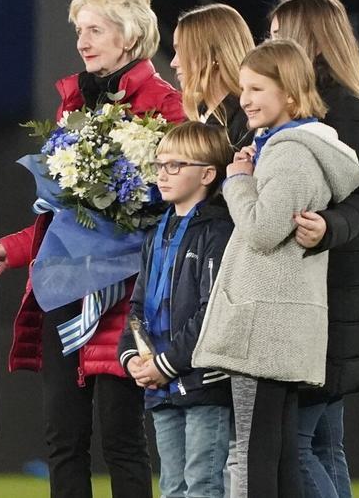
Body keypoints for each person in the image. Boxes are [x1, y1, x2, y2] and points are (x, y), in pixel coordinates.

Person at [0, 0, 182, 498]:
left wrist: (134, 199)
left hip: (127, 293)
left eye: (94, 30)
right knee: (62, 439)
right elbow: (62, 214)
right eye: (78, 31)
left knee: (121, 437)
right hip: (64, 287)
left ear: (129, 35)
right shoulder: (73, 106)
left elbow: (180, 205)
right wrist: (12, 249)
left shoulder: (167, 107)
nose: (82, 42)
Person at [193, 39, 359, 498]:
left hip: (263, 324)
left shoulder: (291, 153)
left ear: (289, 93)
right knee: (280, 454)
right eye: (244, 88)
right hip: (278, 320)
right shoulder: (293, 146)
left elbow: (263, 230)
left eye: (257, 89)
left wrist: (237, 181)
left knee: (256, 454)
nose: (245, 99)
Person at [269, 0, 359, 498]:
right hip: (321, 290)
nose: (269, 45)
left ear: (312, 40)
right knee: (322, 444)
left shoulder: (347, 110)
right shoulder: (308, 105)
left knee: (295, 445)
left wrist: (327, 227)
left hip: (331, 293)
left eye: (279, 35)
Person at [119, 122, 234, 498]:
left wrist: (165, 363)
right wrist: (133, 357)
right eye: (159, 165)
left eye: (175, 165)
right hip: (161, 386)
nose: (163, 174)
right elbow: (138, 305)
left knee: (202, 484)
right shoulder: (157, 233)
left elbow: (212, 311)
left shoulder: (218, 231)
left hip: (202, 382)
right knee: (171, 486)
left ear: (207, 174)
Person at [170, 3, 254, 149]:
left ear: (213, 54)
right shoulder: (195, 115)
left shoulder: (248, 119)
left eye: (182, 51)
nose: (173, 63)